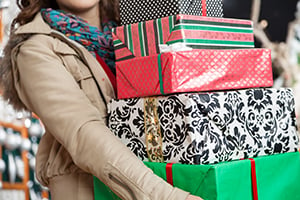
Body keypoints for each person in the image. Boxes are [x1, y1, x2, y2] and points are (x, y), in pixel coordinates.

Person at [0, 0, 203, 199]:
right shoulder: (34, 49)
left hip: (164, 179)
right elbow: (84, 132)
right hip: (93, 190)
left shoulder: (137, 32)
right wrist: (165, 196)